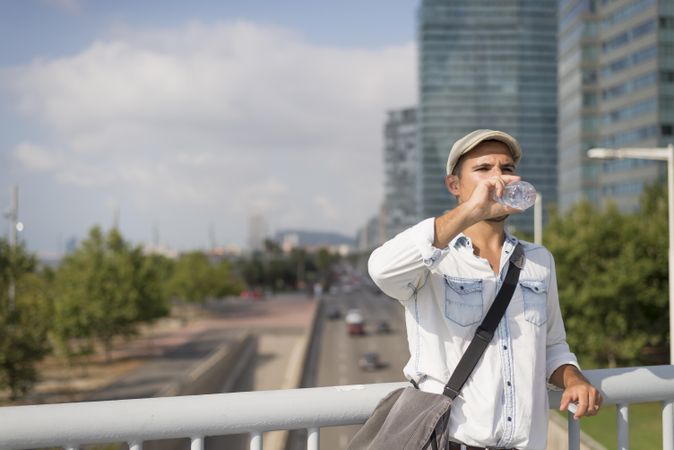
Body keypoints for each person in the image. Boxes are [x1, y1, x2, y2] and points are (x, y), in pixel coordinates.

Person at [368, 129, 602, 450]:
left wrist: (573, 378)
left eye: (506, 169)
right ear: (455, 185)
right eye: (483, 169)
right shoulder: (433, 260)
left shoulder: (539, 260)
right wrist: (472, 210)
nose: (498, 179)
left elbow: (552, 346)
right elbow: (381, 269)